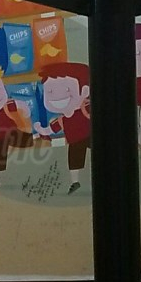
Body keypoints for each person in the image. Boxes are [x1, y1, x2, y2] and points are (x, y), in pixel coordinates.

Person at [40, 62, 92, 192]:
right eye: (50, 91)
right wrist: (43, 130)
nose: (58, 98)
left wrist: (86, 112)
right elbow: (54, 127)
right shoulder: (64, 117)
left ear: (84, 90)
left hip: (91, 135)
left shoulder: (86, 107)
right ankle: (75, 182)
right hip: (75, 140)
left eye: (67, 90)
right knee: (74, 160)